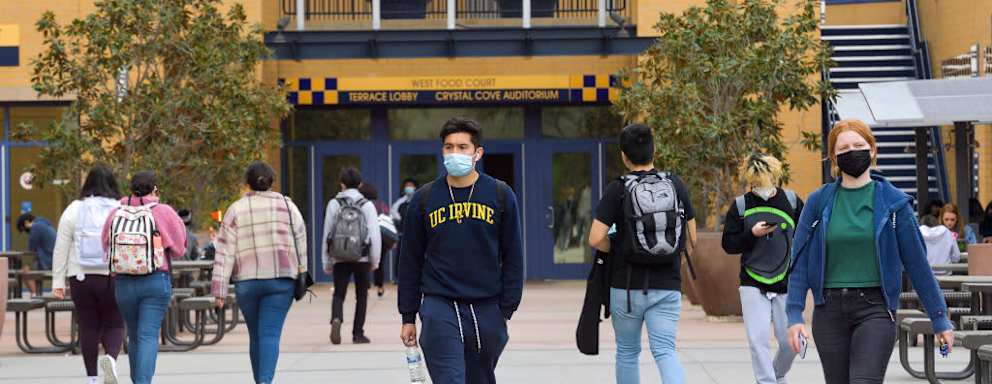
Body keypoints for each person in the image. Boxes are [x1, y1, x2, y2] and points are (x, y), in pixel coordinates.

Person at [786, 119, 953, 384]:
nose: (852, 151)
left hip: (875, 309)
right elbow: (800, 263)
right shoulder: (819, 202)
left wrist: (940, 317)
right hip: (828, 311)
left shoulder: (894, 204)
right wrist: (794, 315)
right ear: (834, 157)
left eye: (859, 145)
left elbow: (918, 266)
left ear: (872, 150)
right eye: (844, 148)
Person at [398, 117, 524, 384]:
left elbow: (514, 255)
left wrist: (506, 309)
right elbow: (409, 260)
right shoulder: (424, 198)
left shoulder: (500, 195)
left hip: (487, 308)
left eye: (462, 147)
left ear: (477, 153)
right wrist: (408, 315)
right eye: (449, 147)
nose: (455, 153)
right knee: (450, 379)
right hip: (439, 305)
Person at [587, 123, 697, 384]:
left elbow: (595, 238)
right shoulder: (675, 184)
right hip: (667, 285)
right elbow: (692, 239)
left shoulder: (618, 189)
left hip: (626, 288)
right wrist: (673, 256)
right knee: (666, 351)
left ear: (623, 156)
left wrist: (617, 248)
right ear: (654, 151)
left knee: (627, 353)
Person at [211, 162, 307, 384]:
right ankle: (265, 382)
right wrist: (304, 273)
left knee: (256, 336)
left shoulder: (235, 209)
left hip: (247, 281)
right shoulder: (288, 206)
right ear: (272, 182)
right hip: (281, 279)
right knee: (270, 334)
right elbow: (301, 240)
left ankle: (261, 381)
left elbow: (224, 251)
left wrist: (219, 291)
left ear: (248, 183)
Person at [721, 154, 801, 384]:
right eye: (755, 183)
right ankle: (766, 381)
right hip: (752, 282)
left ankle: (776, 374)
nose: (760, 188)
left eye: (763, 182)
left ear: (775, 177)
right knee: (758, 341)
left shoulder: (792, 201)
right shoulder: (740, 206)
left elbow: (808, 234)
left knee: (790, 342)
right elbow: (728, 244)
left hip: (786, 282)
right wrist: (751, 234)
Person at [101, 171, 187, 384]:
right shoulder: (163, 211)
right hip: (155, 280)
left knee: (134, 334)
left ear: (131, 189)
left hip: (123, 282)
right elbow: (179, 248)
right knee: (148, 335)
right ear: (154, 189)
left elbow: (105, 244)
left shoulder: (116, 212)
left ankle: (137, 380)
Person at [51, 165, 124, 384]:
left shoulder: (74, 209)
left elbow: (61, 247)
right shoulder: (120, 208)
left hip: (80, 276)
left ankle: (91, 377)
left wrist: (58, 281)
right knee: (115, 323)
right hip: (113, 275)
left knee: (88, 325)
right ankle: (111, 358)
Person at [323, 167, 381, 345]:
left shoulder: (334, 204)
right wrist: (375, 259)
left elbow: (327, 233)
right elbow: (374, 233)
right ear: (360, 184)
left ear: (342, 184)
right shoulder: (367, 205)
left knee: (339, 293)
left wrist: (326, 260)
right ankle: (358, 333)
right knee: (361, 295)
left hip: (340, 256)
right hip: (361, 257)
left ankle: (336, 318)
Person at [359, 182, 394, 298]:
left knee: (365, 262)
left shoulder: (363, 205)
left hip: (369, 236)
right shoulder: (382, 205)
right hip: (384, 237)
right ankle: (380, 287)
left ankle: (365, 287)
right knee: (380, 263)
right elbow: (389, 220)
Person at [16, 212, 57, 296]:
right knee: (30, 267)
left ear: (26, 222)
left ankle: (35, 296)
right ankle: (36, 294)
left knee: (25, 271)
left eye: (24, 229)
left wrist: (27, 264)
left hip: (50, 261)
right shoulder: (43, 224)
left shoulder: (36, 227)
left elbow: (30, 250)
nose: (26, 232)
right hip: (54, 259)